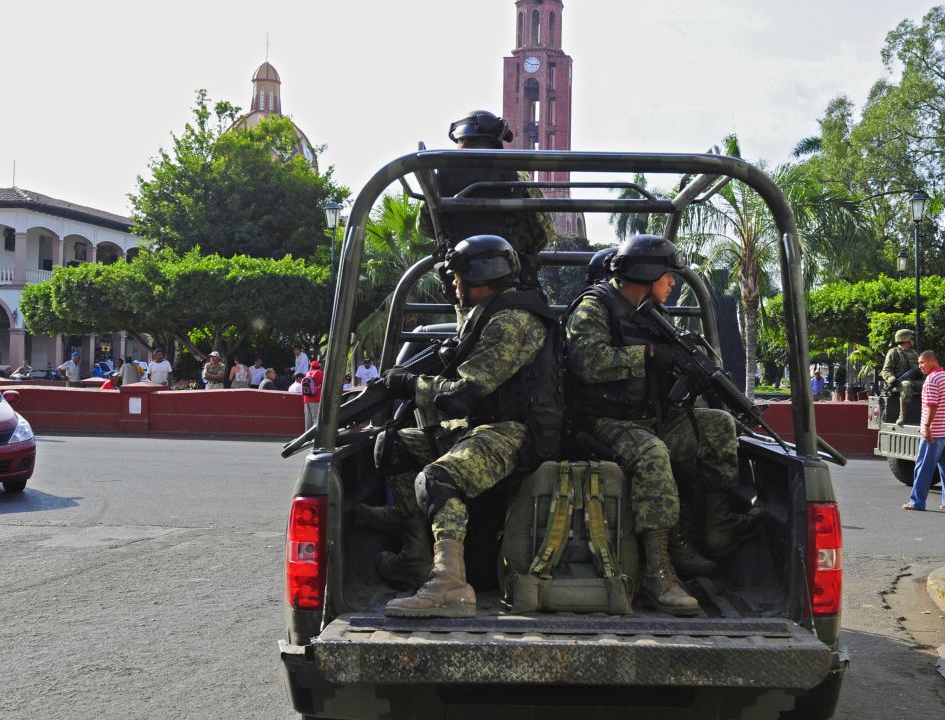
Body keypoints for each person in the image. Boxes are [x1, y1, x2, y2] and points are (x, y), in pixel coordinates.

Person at [356, 235, 561, 619]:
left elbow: (462, 395)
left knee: (436, 479)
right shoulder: (485, 312)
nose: (452, 286)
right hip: (480, 426)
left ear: (479, 277)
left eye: (457, 278)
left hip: (512, 432)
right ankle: (416, 559)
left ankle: (450, 582)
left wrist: (410, 383)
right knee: (394, 446)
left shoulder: (511, 322)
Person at [564, 234, 762, 615]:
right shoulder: (594, 307)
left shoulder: (650, 311)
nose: (673, 282)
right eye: (668, 275)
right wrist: (649, 355)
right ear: (647, 273)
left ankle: (715, 527)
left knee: (719, 425)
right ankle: (659, 572)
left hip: (648, 417)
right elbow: (586, 362)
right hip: (602, 422)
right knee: (653, 453)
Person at [417, 110, 554, 294]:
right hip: (513, 287)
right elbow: (545, 233)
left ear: (461, 141)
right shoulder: (518, 177)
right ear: (497, 143)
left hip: (464, 289)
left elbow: (424, 227)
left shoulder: (440, 181)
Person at [903, 350, 945, 512]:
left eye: (922, 362)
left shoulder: (932, 379)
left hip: (934, 433)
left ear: (931, 361)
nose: (920, 366)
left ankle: (917, 502)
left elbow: (932, 406)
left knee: (923, 467)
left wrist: (928, 427)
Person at [880, 329, 919, 424]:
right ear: (906, 339)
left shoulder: (914, 353)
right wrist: (892, 379)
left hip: (914, 380)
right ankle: (902, 415)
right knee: (906, 385)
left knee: (930, 383)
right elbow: (886, 370)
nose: (913, 341)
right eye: (911, 339)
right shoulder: (894, 352)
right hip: (898, 384)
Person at [303, 360, 324, 430]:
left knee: (308, 420)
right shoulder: (321, 374)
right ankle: (315, 437)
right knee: (316, 419)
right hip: (316, 399)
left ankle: (307, 437)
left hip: (306, 399)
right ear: (319, 367)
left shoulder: (307, 374)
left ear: (311, 367)